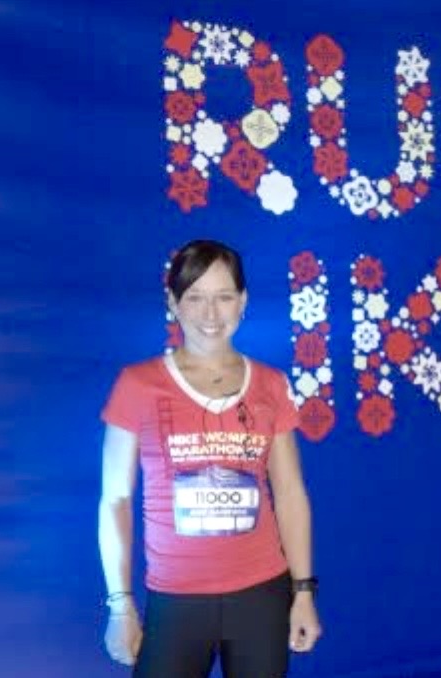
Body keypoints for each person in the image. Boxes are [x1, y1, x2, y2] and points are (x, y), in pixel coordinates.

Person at [97, 239, 322, 677]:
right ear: (173, 303)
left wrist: (303, 591)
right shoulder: (137, 384)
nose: (211, 314)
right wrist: (120, 606)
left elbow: (290, 492)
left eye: (224, 297)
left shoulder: (271, 384)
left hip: (262, 593)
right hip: (175, 599)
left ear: (243, 301)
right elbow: (116, 500)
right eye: (195, 298)